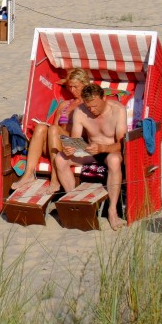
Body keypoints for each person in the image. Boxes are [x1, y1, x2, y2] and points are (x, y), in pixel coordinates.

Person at [54, 83, 127, 230]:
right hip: (91, 150)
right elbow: (76, 140)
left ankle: (112, 211)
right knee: (60, 159)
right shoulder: (81, 111)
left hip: (110, 151)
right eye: (89, 107)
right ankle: (75, 202)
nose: (92, 110)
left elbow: (122, 144)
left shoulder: (118, 110)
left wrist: (103, 148)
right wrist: (70, 148)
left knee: (113, 160)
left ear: (104, 98)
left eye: (95, 106)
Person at [11, 68, 92, 191]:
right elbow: (54, 128)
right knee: (41, 127)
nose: (72, 90)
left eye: (75, 86)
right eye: (69, 87)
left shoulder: (89, 105)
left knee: (53, 129)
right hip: (57, 145)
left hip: (78, 146)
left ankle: (55, 180)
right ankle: (28, 175)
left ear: (85, 84)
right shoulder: (64, 104)